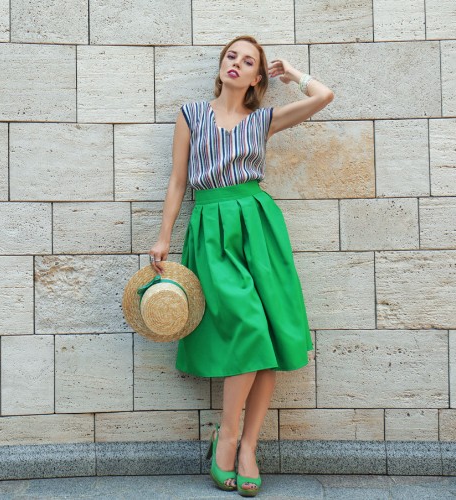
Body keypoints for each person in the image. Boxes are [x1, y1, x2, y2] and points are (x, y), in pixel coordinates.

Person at [148, 34, 334, 497]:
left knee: (266, 334)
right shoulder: (191, 114)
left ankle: (247, 445)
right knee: (249, 326)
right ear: (220, 66)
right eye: (232, 56)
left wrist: (293, 74)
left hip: (258, 227)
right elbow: (176, 182)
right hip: (212, 231)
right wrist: (164, 236)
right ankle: (226, 438)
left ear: (256, 77)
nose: (237, 63)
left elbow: (324, 97)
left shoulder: (263, 120)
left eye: (248, 61)